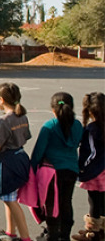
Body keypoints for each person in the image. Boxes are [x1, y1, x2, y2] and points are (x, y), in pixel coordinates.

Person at [30, 92, 82, 241]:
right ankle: (64, 234)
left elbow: (39, 151)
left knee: (52, 204)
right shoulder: (78, 125)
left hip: (52, 171)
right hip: (71, 168)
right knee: (66, 201)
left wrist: (31, 171)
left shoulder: (49, 126)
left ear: (53, 109)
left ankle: (52, 234)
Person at [0, 83, 32, 241]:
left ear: (1, 99)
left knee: (10, 200)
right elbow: (26, 136)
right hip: (20, 157)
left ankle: (25, 237)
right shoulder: (22, 116)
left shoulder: (4, 120)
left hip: (7, 161)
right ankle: (10, 232)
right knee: (9, 197)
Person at [73, 92, 105, 241]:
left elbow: (90, 152)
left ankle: (93, 232)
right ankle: (102, 231)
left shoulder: (92, 129)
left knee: (94, 201)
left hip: (96, 171)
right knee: (103, 201)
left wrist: (82, 167)